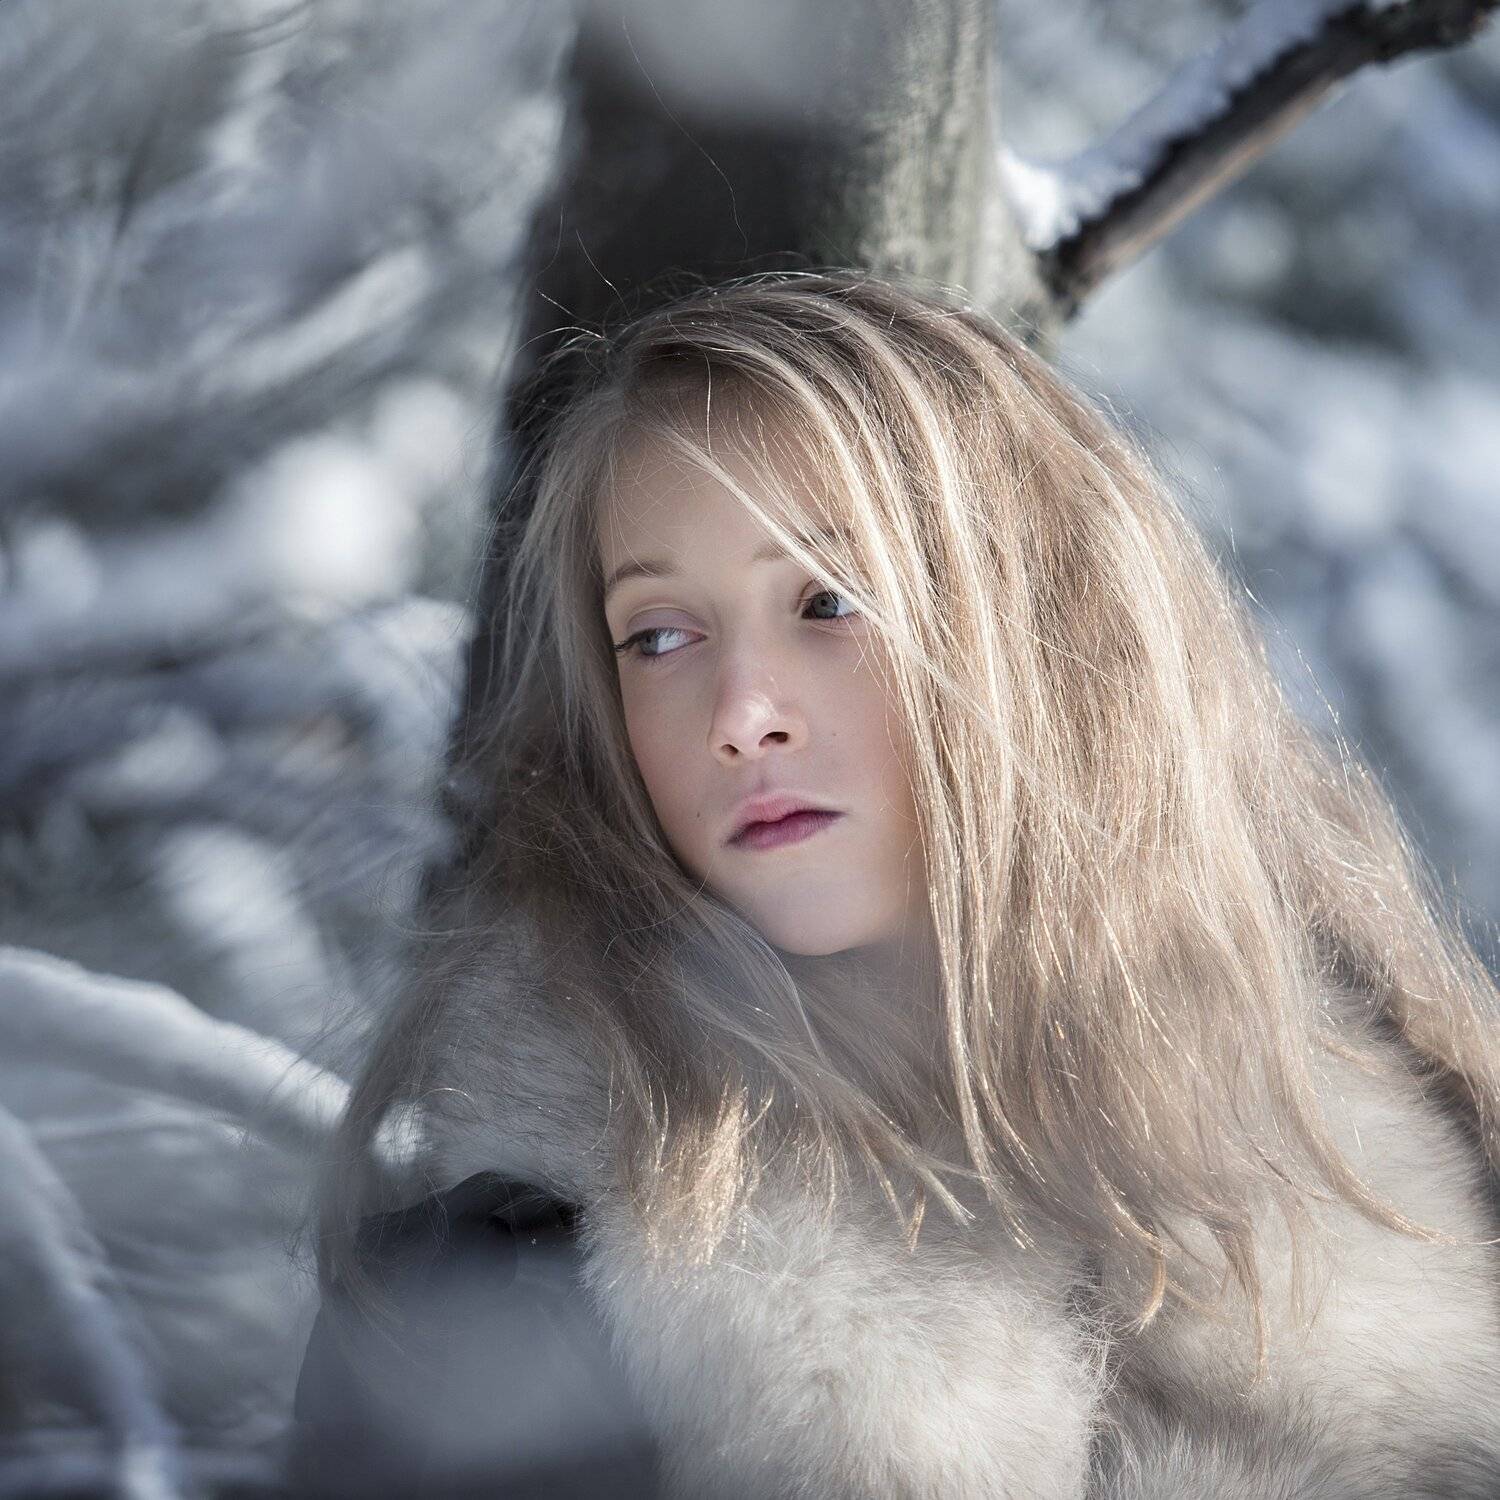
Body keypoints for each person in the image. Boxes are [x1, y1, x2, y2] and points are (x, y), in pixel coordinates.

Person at [287, 270, 1500, 1498]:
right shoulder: (497, 1302)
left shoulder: (1440, 1188)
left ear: (1050, 637)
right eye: (658, 634)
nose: (741, 715)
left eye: (829, 600)